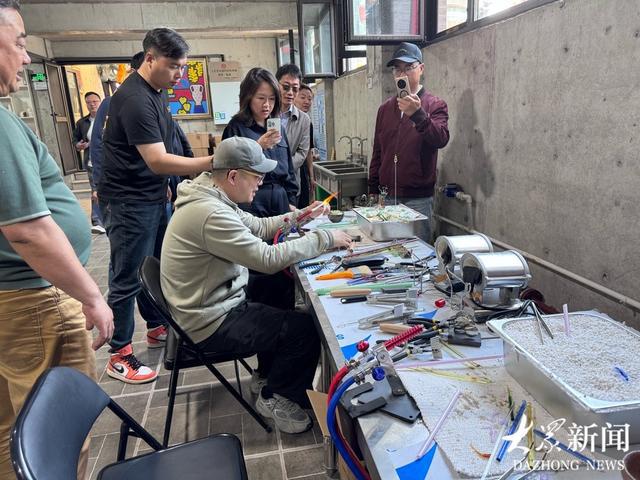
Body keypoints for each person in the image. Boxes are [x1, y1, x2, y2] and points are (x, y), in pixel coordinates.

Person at [160, 136, 352, 434]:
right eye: (257, 176)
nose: (260, 183)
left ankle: (266, 374)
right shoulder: (211, 213)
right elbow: (266, 258)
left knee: (276, 288)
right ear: (233, 176)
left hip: (207, 303)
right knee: (304, 330)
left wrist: (302, 215)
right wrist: (324, 238)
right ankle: (277, 396)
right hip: (208, 322)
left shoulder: (211, 194)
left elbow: (259, 227)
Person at [0, 1, 114, 477]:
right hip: (34, 302)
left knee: (17, 428)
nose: (27, 57)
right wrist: (91, 296)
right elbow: (27, 229)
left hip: (18, 300)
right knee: (55, 438)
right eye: (19, 43)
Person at [98, 28, 212, 384]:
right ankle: (119, 354)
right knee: (127, 276)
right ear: (150, 59)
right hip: (128, 202)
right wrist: (212, 162)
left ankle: (156, 326)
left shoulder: (155, 93)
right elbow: (158, 160)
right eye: (174, 66)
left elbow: (164, 150)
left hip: (151, 196)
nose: (180, 75)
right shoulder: (134, 98)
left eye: (183, 67)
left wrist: (167, 187)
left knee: (154, 268)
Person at [369, 42, 450, 242]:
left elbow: (441, 138)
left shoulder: (435, 105)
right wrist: (373, 189)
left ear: (421, 68)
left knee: (419, 253)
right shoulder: (385, 109)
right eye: (397, 69)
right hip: (387, 197)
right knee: (387, 250)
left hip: (418, 199)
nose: (402, 74)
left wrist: (418, 115)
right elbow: (378, 152)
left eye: (408, 67)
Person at [222, 67, 297, 218]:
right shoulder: (235, 128)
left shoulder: (278, 128)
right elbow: (226, 172)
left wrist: (291, 200)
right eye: (261, 98)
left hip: (280, 198)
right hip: (251, 201)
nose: (267, 104)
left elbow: (289, 169)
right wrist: (257, 146)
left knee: (284, 234)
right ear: (248, 97)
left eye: (272, 99)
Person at [90, 51, 145, 191]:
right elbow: (98, 144)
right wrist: (98, 183)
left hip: (151, 183)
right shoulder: (111, 104)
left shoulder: (156, 103)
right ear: (133, 72)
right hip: (121, 185)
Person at [275, 64, 310, 208]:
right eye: (285, 87)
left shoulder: (304, 119)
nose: (290, 93)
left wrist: (282, 167)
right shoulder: (266, 114)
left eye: (295, 89)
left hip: (291, 183)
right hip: (266, 183)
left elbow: (302, 152)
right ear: (276, 85)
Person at [73, 91, 105, 233]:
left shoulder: (108, 119)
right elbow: (75, 139)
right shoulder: (82, 123)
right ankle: (97, 221)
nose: (92, 104)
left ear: (100, 102)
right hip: (92, 162)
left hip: (109, 161)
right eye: (89, 102)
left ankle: (107, 218)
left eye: (95, 101)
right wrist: (78, 145)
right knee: (95, 190)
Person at [294, 83, 316, 204]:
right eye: (302, 97)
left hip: (302, 170)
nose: (307, 101)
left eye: (309, 99)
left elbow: (308, 151)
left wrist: (311, 177)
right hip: (288, 168)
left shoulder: (308, 122)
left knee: (303, 204)